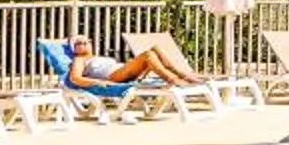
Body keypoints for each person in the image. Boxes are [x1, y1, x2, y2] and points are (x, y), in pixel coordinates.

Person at [60, 35, 201, 90]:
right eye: (79, 43)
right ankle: (174, 79)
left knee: (154, 49)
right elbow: (75, 78)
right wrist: (98, 83)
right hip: (113, 76)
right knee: (147, 55)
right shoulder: (80, 60)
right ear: (74, 49)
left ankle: (181, 73)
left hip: (123, 71)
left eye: (86, 41)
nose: (84, 43)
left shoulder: (96, 56)